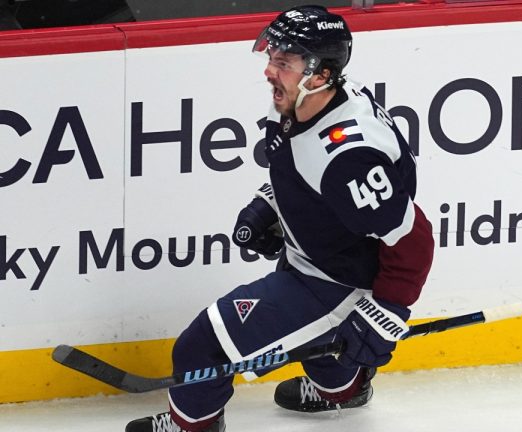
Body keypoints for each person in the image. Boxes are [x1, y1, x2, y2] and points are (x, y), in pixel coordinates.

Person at [126, 5, 434, 432]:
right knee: (323, 348)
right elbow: (300, 170)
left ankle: (192, 426)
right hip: (315, 254)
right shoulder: (304, 100)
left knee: (202, 347)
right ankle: (344, 388)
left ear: (320, 74)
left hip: (333, 281)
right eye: (272, 57)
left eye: (284, 62)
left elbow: (413, 239)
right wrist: (267, 206)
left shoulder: (348, 159)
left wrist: (384, 311)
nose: (270, 70)